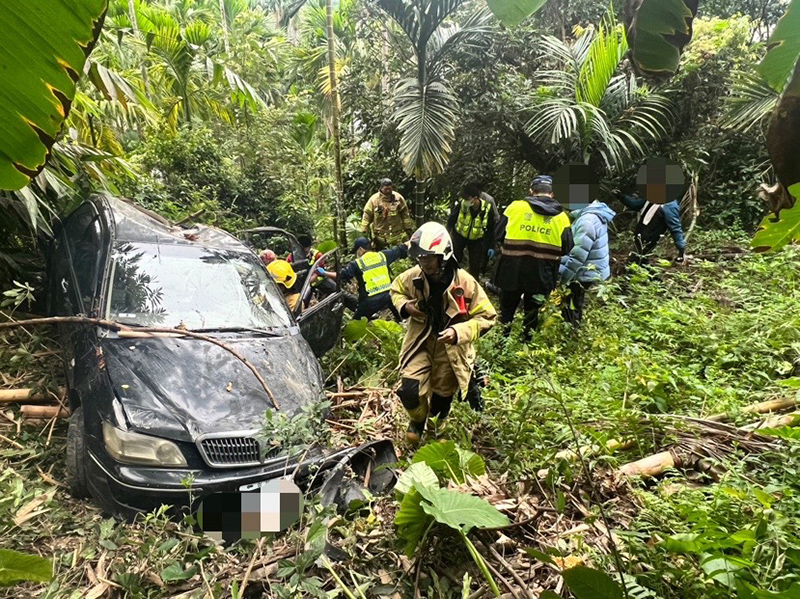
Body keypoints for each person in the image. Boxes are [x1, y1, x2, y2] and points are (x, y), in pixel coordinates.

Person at [390, 222, 496, 443]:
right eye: (421, 258)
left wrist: (459, 332)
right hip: (420, 340)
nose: (424, 263)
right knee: (410, 389)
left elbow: (487, 316)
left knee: (442, 395)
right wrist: (406, 306)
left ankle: (436, 431)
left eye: (429, 257)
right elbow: (396, 289)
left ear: (443, 255)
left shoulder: (465, 283)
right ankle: (417, 420)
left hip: (450, 349)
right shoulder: (413, 276)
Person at [494, 175, 573, 338]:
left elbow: (498, 234)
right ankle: (526, 346)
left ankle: (502, 343)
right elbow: (567, 247)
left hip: (511, 270)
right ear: (552, 194)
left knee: (507, 310)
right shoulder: (562, 217)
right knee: (532, 313)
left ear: (531, 191)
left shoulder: (515, 208)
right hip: (541, 273)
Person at [317, 237, 408, 320]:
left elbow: (341, 275)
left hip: (370, 301)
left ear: (360, 249)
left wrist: (324, 273)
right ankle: (401, 323)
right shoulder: (383, 255)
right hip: (388, 296)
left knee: (355, 326)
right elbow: (401, 249)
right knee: (399, 314)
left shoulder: (357, 263)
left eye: (356, 251)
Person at [559, 200, 616, 327]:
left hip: (584, 273)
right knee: (577, 305)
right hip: (592, 270)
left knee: (571, 306)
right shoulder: (593, 214)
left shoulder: (587, 220)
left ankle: (571, 336)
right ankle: (574, 331)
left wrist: (563, 278)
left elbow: (578, 255)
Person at [615, 190, 686, 264]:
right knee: (641, 261)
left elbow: (675, 228)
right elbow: (636, 205)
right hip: (640, 234)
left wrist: (681, 248)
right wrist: (621, 196)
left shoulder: (670, 205)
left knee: (634, 261)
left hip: (650, 238)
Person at [447, 183, 496, 278]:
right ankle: (451, 279)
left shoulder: (487, 209)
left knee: (475, 264)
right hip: (459, 236)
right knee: (455, 260)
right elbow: (451, 220)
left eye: (468, 199)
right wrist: (448, 234)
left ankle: (473, 285)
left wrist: (491, 246)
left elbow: (491, 229)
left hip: (477, 240)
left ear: (476, 198)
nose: (465, 201)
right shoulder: (461, 206)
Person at [361, 178, 415, 250]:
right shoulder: (374, 200)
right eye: (386, 189)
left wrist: (408, 229)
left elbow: (405, 215)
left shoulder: (398, 198)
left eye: (390, 188)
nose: (388, 191)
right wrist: (364, 229)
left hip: (396, 236)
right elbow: (367, 215)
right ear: (381, 188)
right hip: (380, 237)